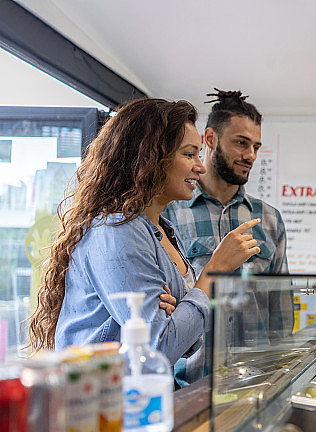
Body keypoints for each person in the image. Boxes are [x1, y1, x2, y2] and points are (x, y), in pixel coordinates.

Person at [29, 98, 262, 387]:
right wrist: (214, 272)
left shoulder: (161, 229)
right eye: (189, 154)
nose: (200, 167)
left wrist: (179, 315)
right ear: (150, 158)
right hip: (104, 407)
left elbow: (184, 342)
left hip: (144, 401)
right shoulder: (117, 231)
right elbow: (157, 348)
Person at [163, 89, 293, 343]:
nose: (251, 156)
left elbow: (281, 314)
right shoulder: (169, 212)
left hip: (255, 376)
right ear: (210, 138)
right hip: (189, 377)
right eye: (241, 143)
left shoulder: (269, 219)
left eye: (255, 147)